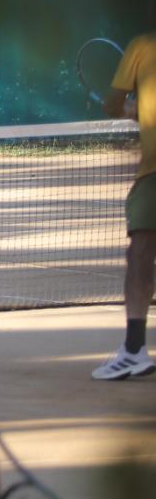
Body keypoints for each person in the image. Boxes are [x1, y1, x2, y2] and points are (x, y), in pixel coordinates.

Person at [96, 24, 156, 380]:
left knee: (140, 254)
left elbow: (112, 104)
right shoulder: (141, 47)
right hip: (153, 170)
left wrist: (130, 108)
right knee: (140, 253)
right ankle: (134, 350)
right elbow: (113, 104)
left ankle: (134, 350)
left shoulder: (142, 46)